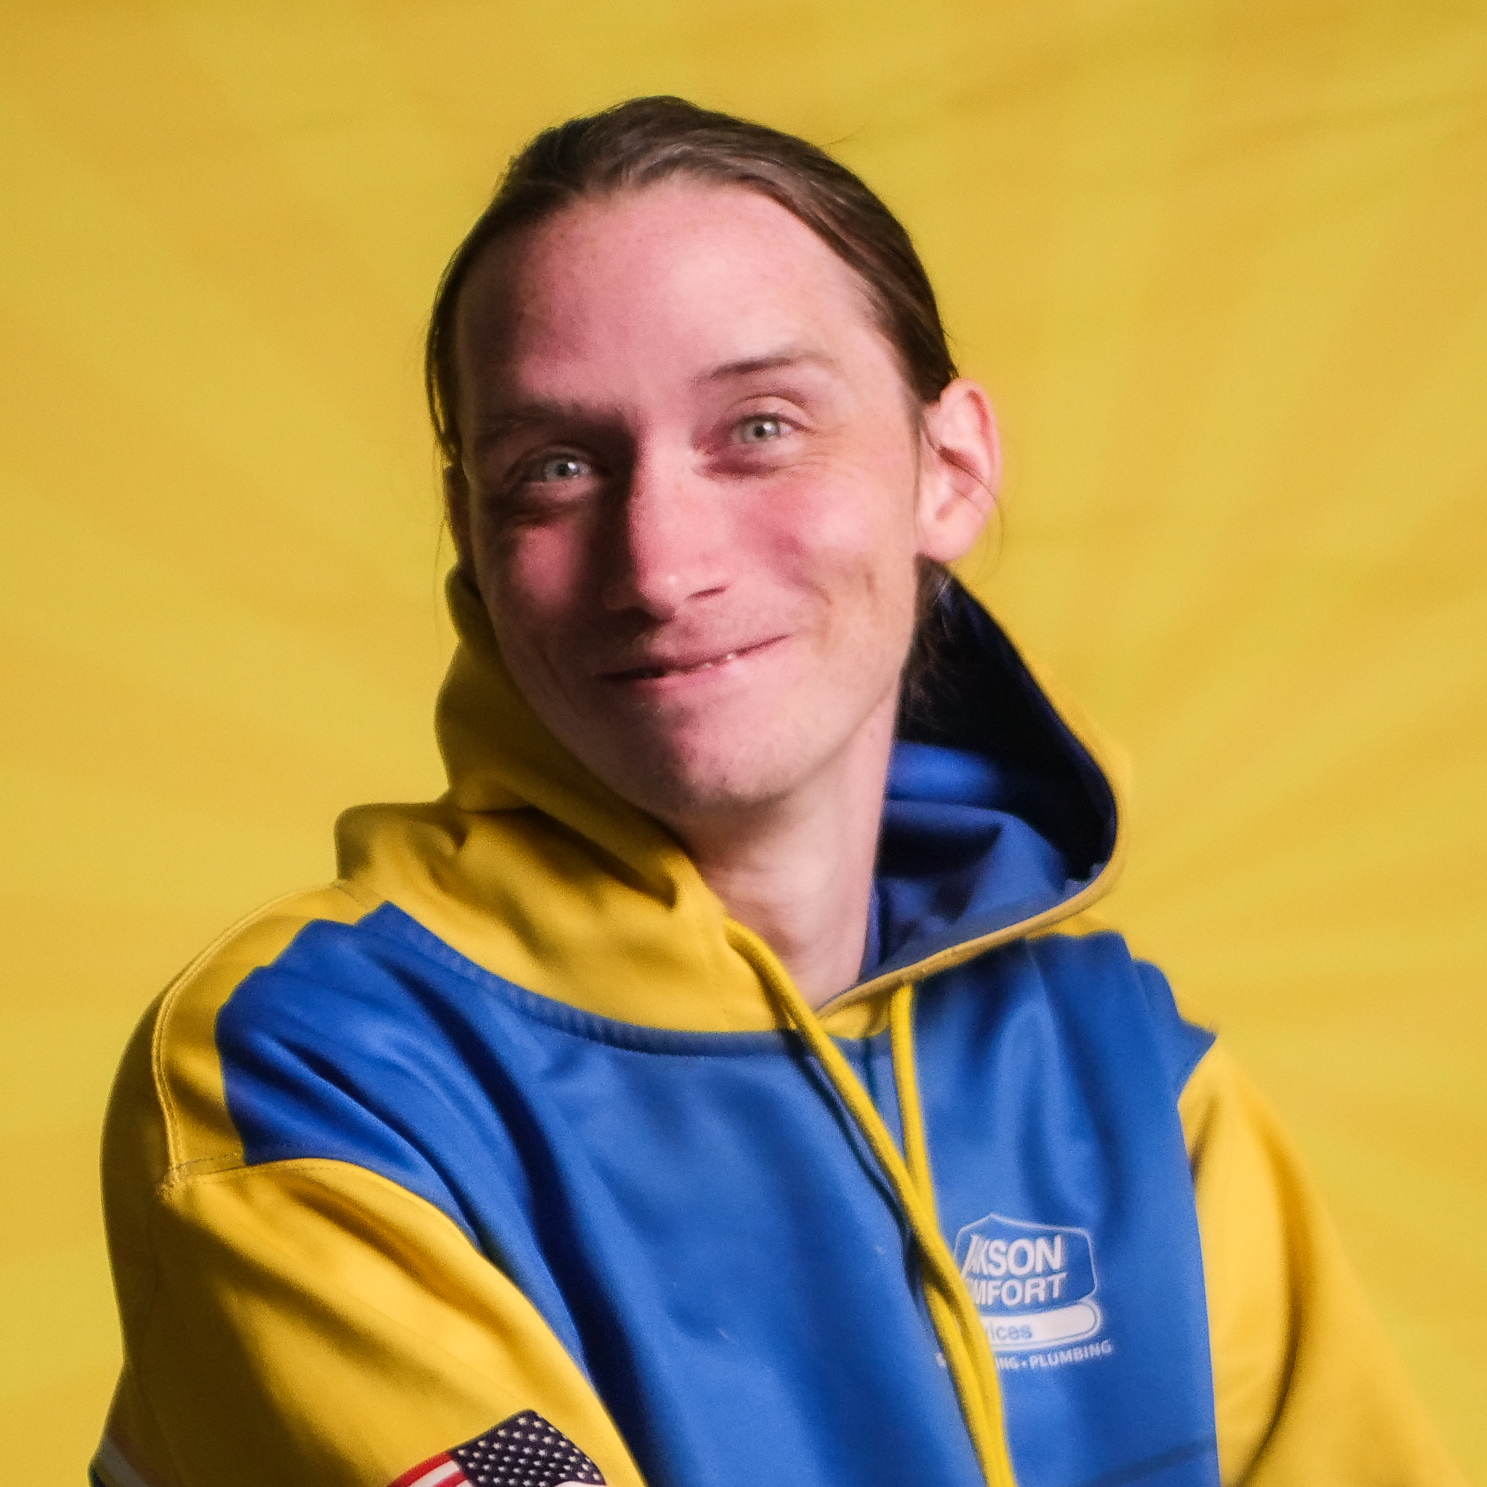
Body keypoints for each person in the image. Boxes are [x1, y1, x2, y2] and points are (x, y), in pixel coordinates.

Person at [91, 97, 1461, 1487]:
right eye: (556, 469)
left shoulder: (1137, 1087)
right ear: (476, 545)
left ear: (953, 470)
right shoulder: (305, 1070)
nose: (662, 565)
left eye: (757, 427)